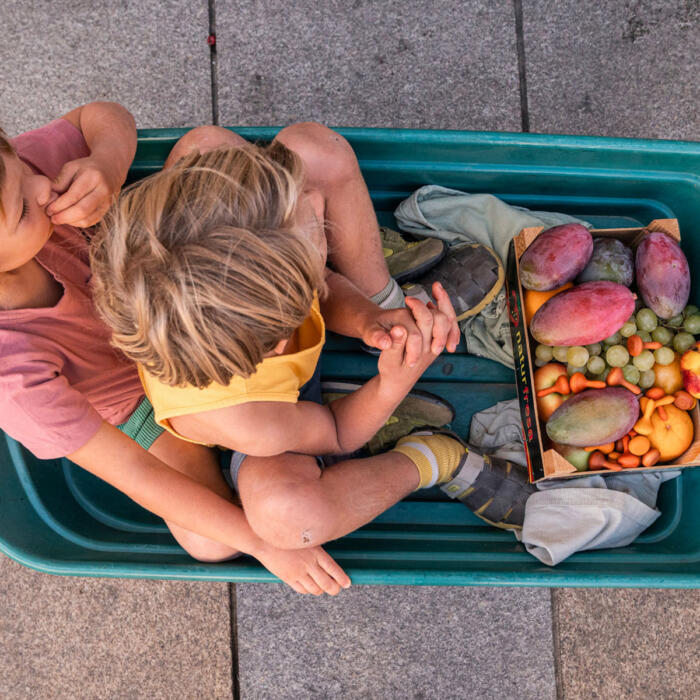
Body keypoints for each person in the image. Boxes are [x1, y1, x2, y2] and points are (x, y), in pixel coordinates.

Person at [0, 106, 360, 596]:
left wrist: (106, 162)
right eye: (20, 208)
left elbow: (100, 117)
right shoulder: (12, 380)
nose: (41, 186)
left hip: (175, 284)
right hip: (138, 399)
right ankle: (307, 268)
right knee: (208, 543)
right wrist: (264, 545)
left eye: (21, 169)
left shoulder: (18, 177)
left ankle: (326, 273)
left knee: (207, 143)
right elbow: (132, 470)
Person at [91, 123, 481, 564]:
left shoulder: (251, 293)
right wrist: (395, 381)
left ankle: (384, 298)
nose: (316, 202)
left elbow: (316, 284)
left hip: (257, 342)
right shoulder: (250, 420)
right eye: (317, 227)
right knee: (289, 516)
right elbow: (337, 432)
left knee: (219, 145)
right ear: (282, 336)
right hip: (274, 414)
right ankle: (432, 456)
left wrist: (375, 320)